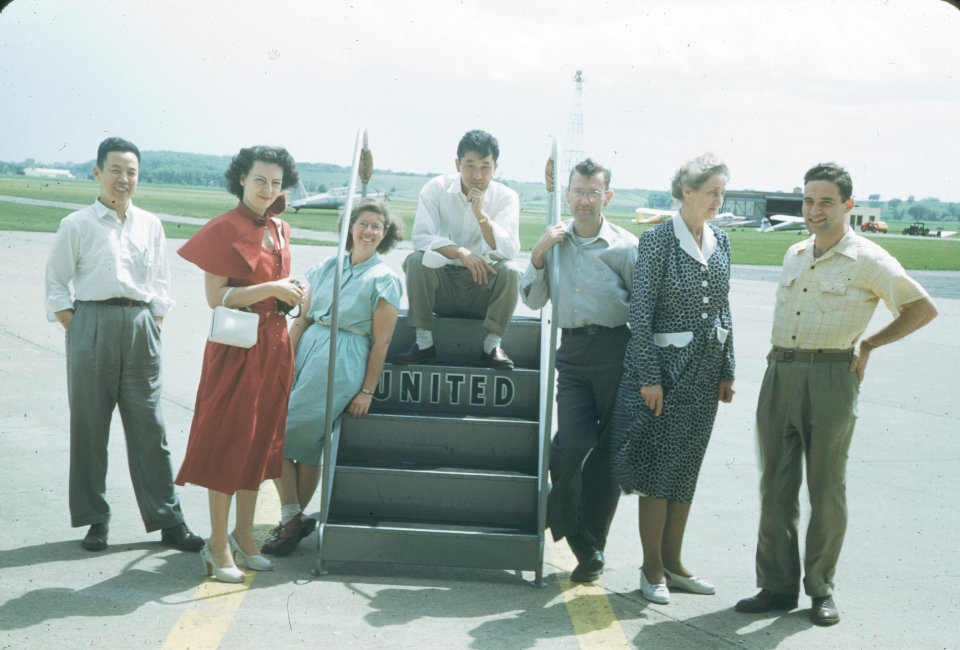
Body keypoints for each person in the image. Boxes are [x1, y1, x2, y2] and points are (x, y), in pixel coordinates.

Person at [735, 163, 938, 626]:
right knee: (774, 487)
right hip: (779, 372)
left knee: (826, 489)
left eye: (825, 201)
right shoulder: (793, 252)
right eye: (808, 201)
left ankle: (821, 590)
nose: (814, 210)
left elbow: (922, 307)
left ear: (848, 205)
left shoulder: (869, 258)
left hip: (831, 376)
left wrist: (869, 344)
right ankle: (776, 585)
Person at [44, 136, 203, 553]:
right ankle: (95, 520)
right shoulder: (76, 224)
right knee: (90, 428)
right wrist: (74, 326)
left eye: (131, 172)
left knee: (151, 428)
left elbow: (162, 282)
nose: (123, 179)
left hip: (140, 325)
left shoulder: (150, 224)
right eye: (115, 170)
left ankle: (169, 520)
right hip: (91, 324)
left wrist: (155, 321)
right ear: (97, 173)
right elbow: (56, 283)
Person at [175, 146, 305, 583]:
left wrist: (291, 292)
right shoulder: (224, 227)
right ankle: (216, 544)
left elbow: (277, 289)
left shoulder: (282, 228)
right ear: (242, 181)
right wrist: (269, 287)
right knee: (231, 440)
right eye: (260, 180)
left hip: (274, 346)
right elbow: (217, 298)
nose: (268, 189)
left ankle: (244, 536)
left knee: (261, 442)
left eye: (275, 182)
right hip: (237, 348)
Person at [611, 153, 736, 605]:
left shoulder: (721, 239)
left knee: (686, 471)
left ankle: (675, 564)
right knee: (658, 472)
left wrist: (728, 368)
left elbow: (723, 307)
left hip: (706, 373)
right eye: (711, 192)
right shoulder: (659, 240)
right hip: (666, 373)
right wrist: (649, 377)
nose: (718, 200)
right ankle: (651, 569)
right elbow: (640, 314)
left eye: (722, 192)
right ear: (686, 192)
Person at [261, 199, 404, 556]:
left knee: (280, 432)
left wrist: (367, 390)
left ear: (385, 235)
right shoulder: (328, 266)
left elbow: (381, 341)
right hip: (307, 348)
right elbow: (303, 318)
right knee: (306, 446)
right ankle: (292, 520)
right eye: (363, 223)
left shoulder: (385, 279)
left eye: (377, 227)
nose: (369, 231)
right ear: (350, 226)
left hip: (343, 357)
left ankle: (290, 517)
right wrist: (285, 362)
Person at [520, 158, 637, 582]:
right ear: (566, 194)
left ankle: (591, 546)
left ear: (606, 197)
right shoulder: (554, 242)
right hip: (572, 352)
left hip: (617, 351)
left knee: (609, 453)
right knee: (571, 443)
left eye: (593, 192)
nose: (585, 200)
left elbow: (642, 310)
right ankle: (574, 532)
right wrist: (536, 255)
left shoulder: (625, 245)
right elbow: (532, 301)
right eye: (578, 191)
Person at [391, 129, 520, 369]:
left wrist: (481, 216)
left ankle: (492, 345)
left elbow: (509, 250)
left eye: (485, 167)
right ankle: (424, 343)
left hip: (482, 289)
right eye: (470, 165)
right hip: (442, 289)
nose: (477, 175)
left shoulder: (506, 197)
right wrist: (461, 252)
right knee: (416, 260)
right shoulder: (436, 188)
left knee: (511, 270)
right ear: (457, 164)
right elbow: (421, 238)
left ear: (496, 167)